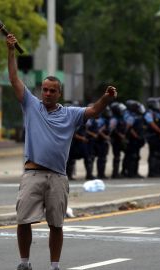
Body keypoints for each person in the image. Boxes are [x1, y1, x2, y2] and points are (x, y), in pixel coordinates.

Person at [7, 34, 117, 270]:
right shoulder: (31, 105)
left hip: (57, 175)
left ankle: (54, 265)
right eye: (44, 90)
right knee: (23, 219)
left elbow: (94, 110)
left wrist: (106, 99)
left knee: (56, 224)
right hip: (32, 173)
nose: (46, 93)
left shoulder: (70, 114)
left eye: (51, 91)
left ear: (59, 93)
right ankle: (24, 262)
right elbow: (14, 79)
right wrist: (10, 51)